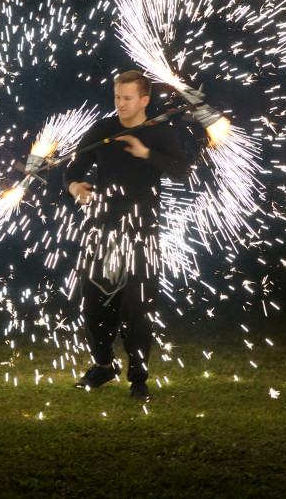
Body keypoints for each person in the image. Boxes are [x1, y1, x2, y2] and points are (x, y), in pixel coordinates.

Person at [63, 70, 189, 402]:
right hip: (102, 230)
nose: (121, 103)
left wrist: (145, 152)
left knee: (138, 309)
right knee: (93, 306)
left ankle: (139, 380)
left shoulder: (159, 132)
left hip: (141, 233)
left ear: (144, 100)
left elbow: (181, 169)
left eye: (127, 98)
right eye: (117, 97)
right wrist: (75, 186)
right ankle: (104, 365)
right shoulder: (103, 130)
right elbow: (72, 171)